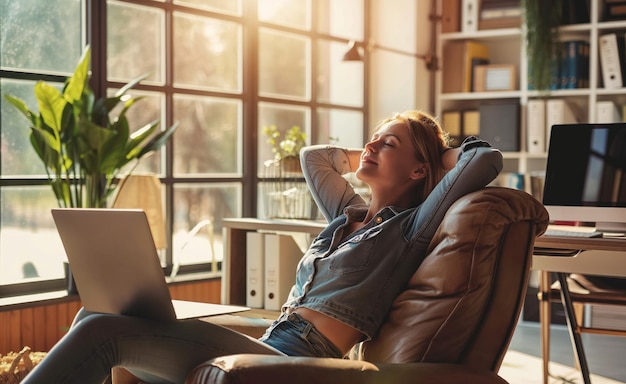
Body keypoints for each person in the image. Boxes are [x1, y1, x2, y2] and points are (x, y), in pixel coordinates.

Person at [22, 109, 503, 384]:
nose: (372, 147)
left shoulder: (411, 227)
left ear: (421, 171)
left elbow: (485, 161)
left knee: (103, 330)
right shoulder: (348, 214)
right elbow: (312, 157)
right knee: (93, 317)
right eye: (371, 140)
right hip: (269, 340)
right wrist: (380, 148)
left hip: (298, 356)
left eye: (388, 144)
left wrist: (439, 154)